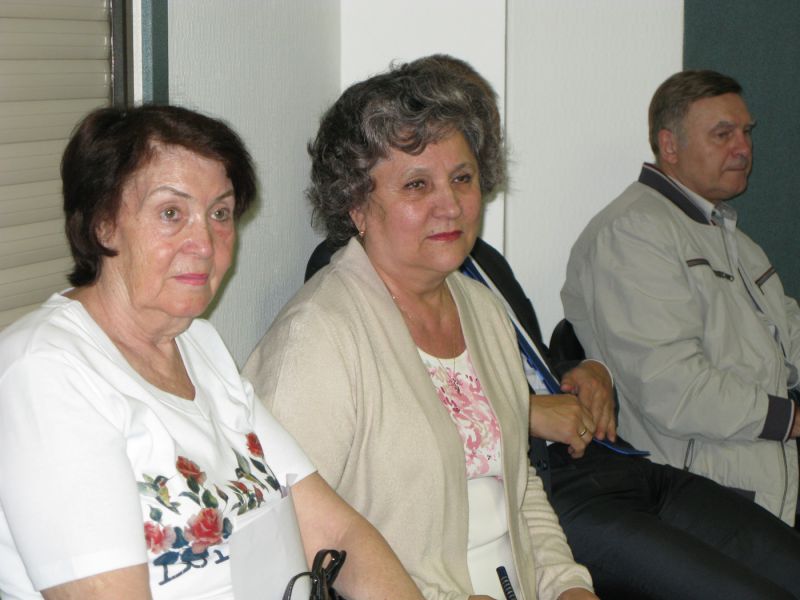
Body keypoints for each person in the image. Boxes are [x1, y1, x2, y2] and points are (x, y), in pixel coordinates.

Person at [0, 105, 423, 600]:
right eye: (171, 213)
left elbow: (336, 532)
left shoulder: (198, 344)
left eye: (220, 214)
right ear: (103, 224)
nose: (204, 243)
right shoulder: (45, 373)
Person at [244, 58, 596, 600]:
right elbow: (279, 537)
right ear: (357, 206)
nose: (450, 205)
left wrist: (568, 586)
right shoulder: (317, 338)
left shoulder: (482, 309)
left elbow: (517, 485)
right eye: (417, 185)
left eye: (462, 178)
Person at [562, 69, 800, 525]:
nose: (743, 149)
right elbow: (672, 387)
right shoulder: (634, 231)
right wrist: (789, 419)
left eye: (746, 132)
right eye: (723, 134)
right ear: (669, 146)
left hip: (761, 484)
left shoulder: (732, 239)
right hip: (698, 495)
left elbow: (789, 335)